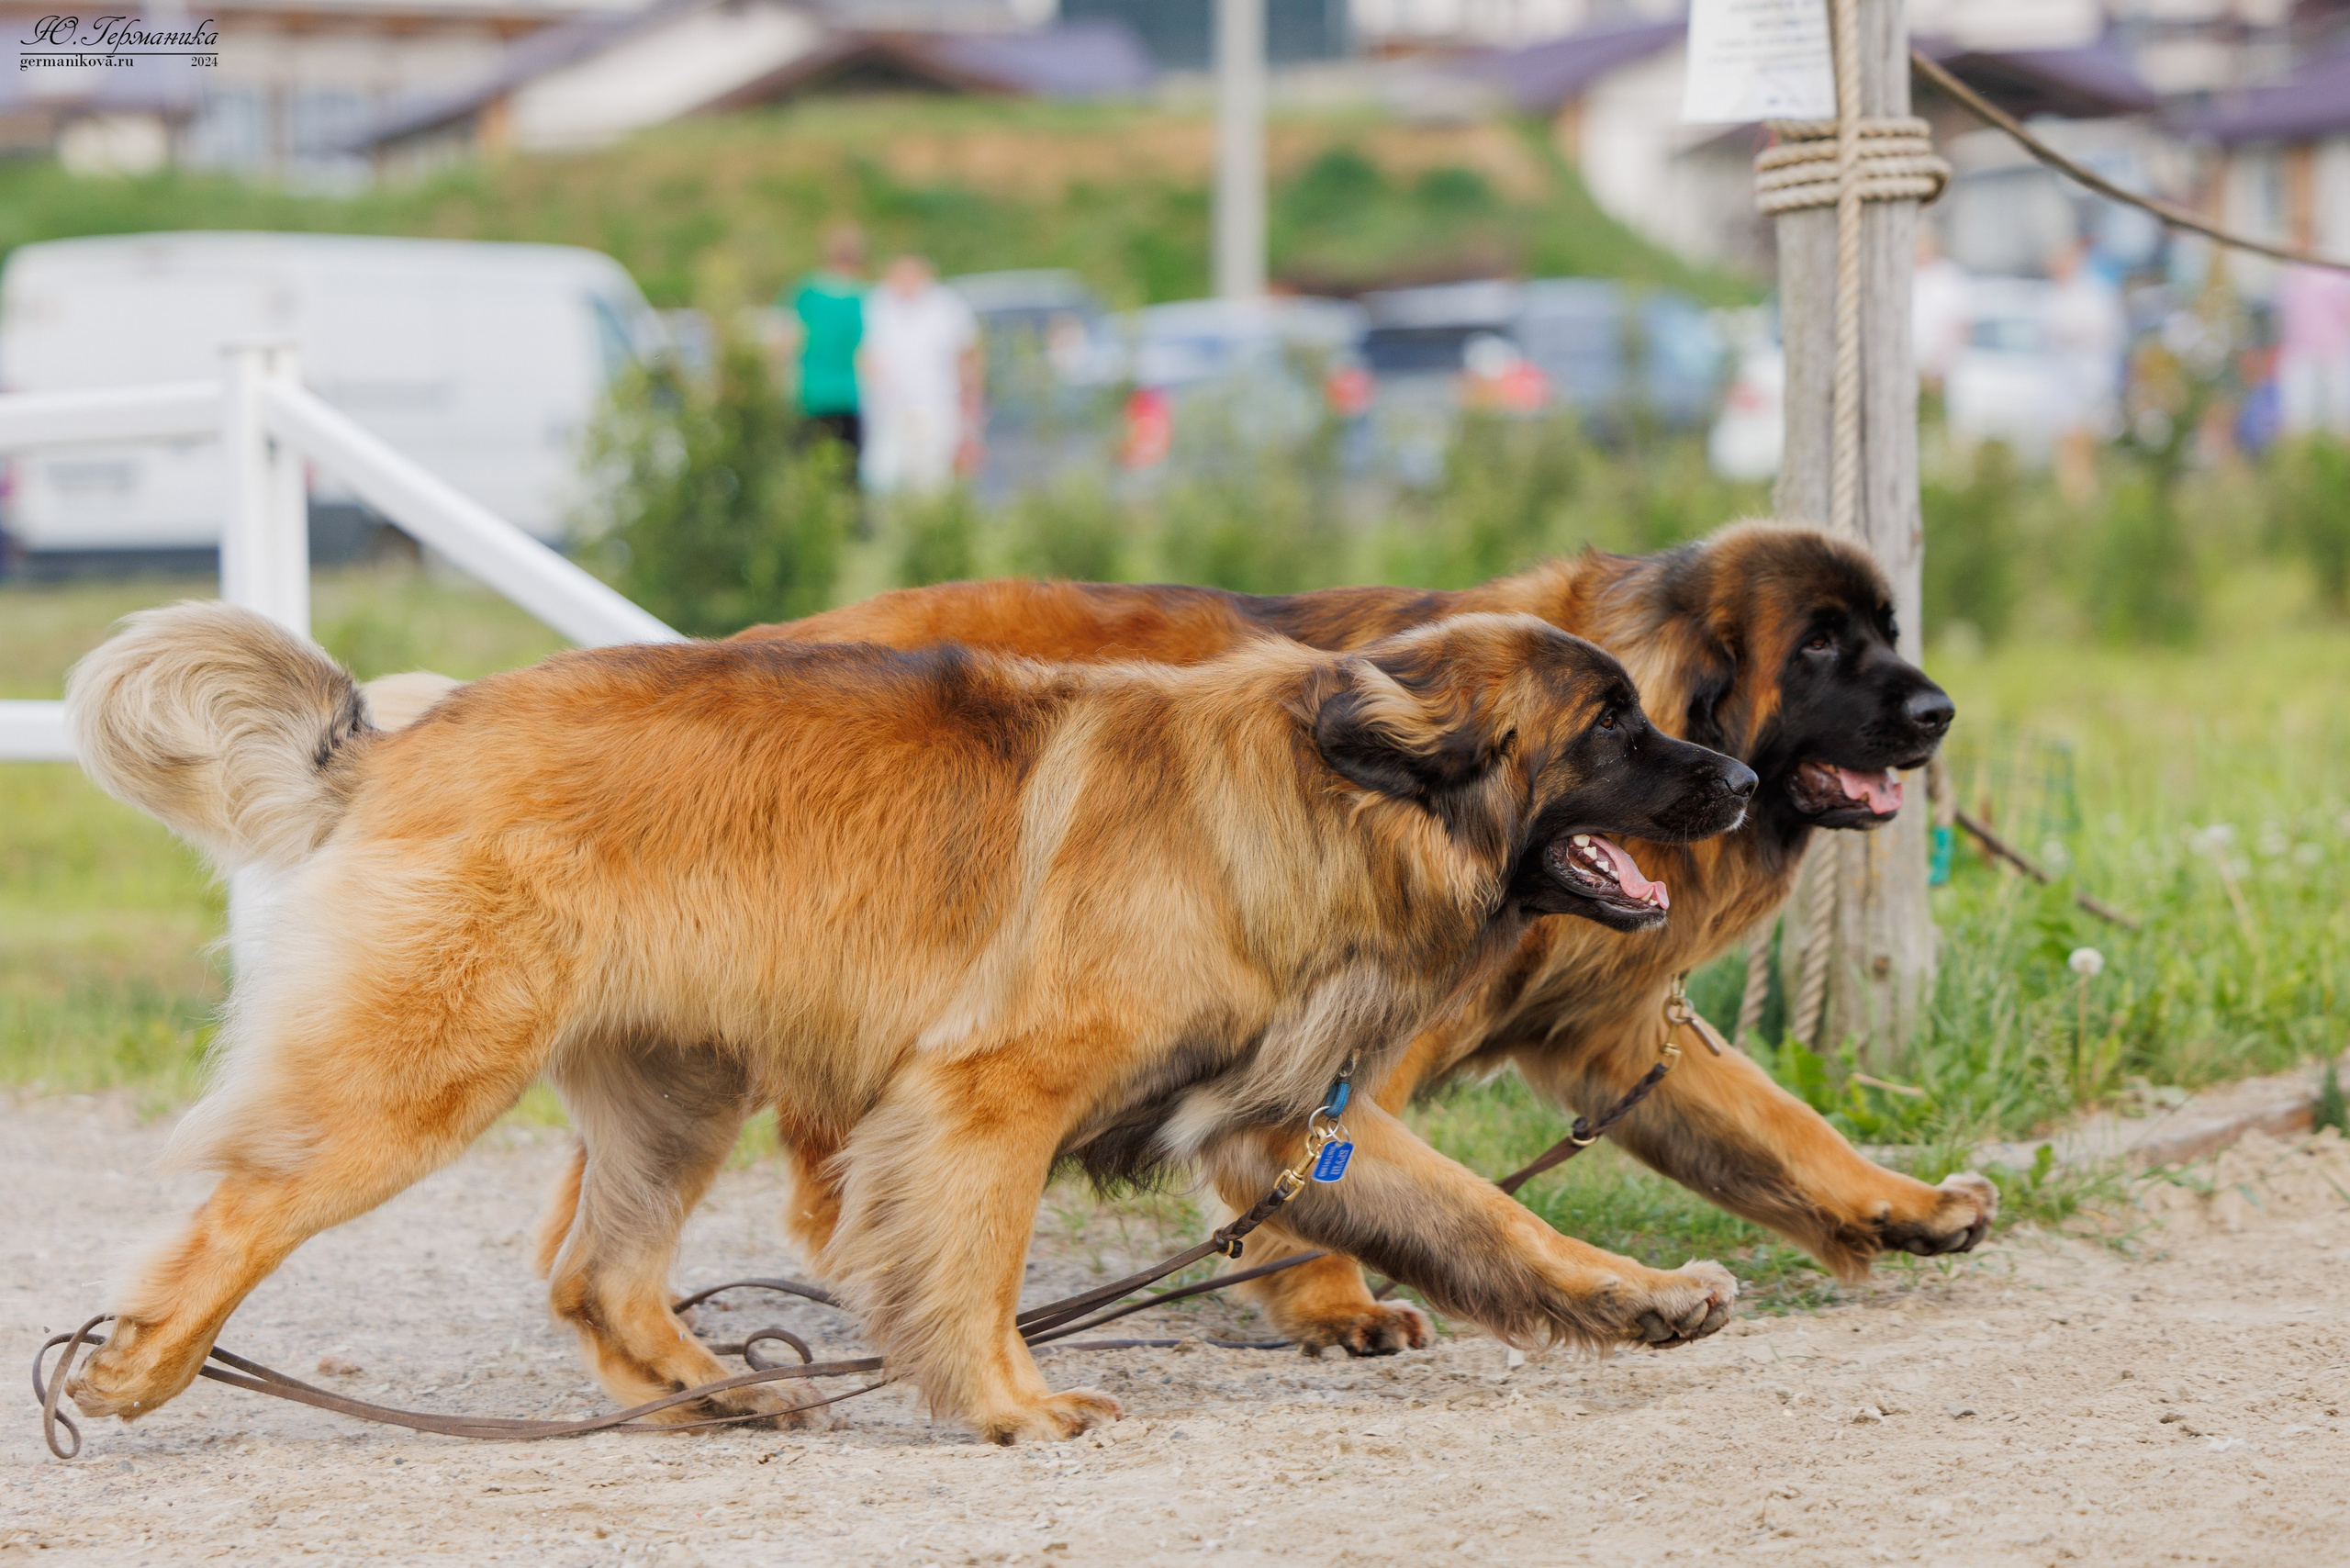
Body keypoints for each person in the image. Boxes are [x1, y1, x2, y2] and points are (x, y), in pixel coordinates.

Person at [858, 253, 981, 497]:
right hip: (888, 410)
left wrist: (970, 412)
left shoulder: (946, 305)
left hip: (937, 406)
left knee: (933, 482)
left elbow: (966, 356)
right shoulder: (876, 303)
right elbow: (864, 353)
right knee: (883, 479)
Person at [2042, 239, 2126, 499]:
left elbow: (2107, 332)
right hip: (2063, 384)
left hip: (2090, 380)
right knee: (2066, 444)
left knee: (2089, 442)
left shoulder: (2094, 294)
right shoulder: (2051, 297)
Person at [788, 223, 867, 458]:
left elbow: (788, 339)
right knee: (848, 467)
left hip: (811, 393)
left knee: (809, 464)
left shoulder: (807, 292)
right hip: (849, 394)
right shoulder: (863, 296)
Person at [2276, 263, 2350, 438]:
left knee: (2338, 412)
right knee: (2299, 414)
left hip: (2332, 349)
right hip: (2301, 349)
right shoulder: (2289, 278)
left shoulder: (2331, 275)